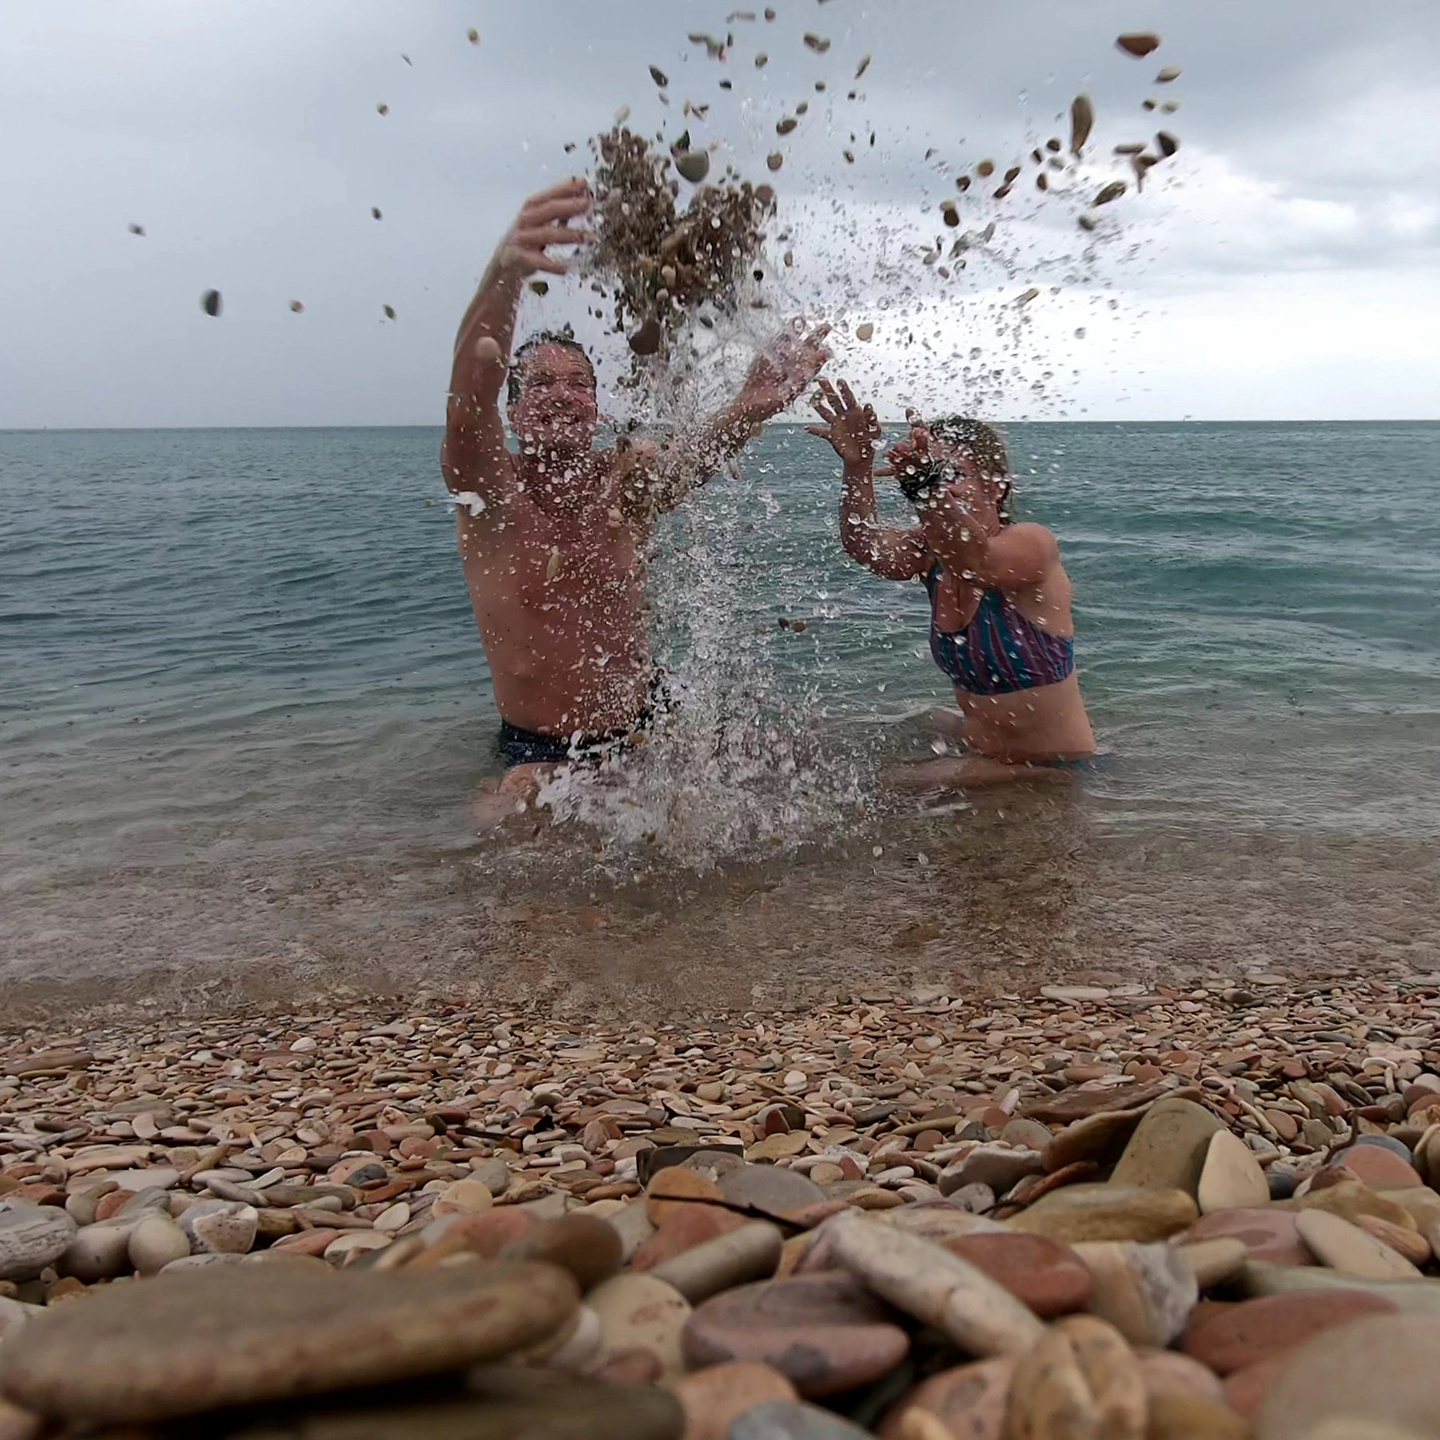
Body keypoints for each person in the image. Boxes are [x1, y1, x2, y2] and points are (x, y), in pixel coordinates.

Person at [442, 178, 829, 826]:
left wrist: (749, 404)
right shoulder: (490, 499)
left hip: (648, 722)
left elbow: (689, 463)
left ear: (596, 407)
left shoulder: (622, 483)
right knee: (502, 822)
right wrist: (505, 273)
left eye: (578, 385)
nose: (561, 395)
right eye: (539, 385)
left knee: (788, 767)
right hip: (543, 748)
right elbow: (465, 408)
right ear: (513, 412)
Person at [807, 378, 1096, 788]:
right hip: (982, 747)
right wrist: (858, 466)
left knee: (872, 785)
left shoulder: (1032, 544)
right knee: (822, 735)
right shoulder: (933, 549)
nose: (940, 485)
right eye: (932, 472)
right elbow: (865, 543)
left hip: (1052, 769)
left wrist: (925, 487)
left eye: (951, 474)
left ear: (995, 488)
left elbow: (977, 559)